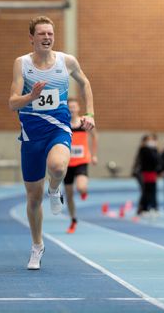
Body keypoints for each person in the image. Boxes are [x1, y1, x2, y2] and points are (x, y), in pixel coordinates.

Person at [9, 16, 95, 270]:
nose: (47, 38)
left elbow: (85, 82)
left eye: (50, 34)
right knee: (33, 198)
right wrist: (30, 95)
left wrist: (90, 113)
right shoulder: (22, 64)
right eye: (42, 34)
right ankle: (37, 246)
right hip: (31, 135)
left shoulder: (66, 61)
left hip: (58, 128)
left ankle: (55, 189)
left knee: (58, 167)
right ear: (32, 38)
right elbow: (12, 102)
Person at [64, 98, 98, 234]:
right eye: (69, 107)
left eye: (74, 107)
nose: (72, 109)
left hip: (81, 161)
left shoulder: (84, 123)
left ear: (78, 108)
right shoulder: (64, 124)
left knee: (81, 186)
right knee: (69, 194)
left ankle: (84, 192)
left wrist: (94, 154)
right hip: (66, 163)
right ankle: (73, 220)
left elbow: (95, 136)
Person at [137, 134, 160, 214]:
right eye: (149, 140)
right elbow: (151, 160)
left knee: (151, 190)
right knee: (147, 190)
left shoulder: (152, 150)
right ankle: (144, 207)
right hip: (146, 172)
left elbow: (157, 160)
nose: (151, 142)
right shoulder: (144, 150)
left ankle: (151, 206)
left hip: (152, 172)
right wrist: (153, 150)